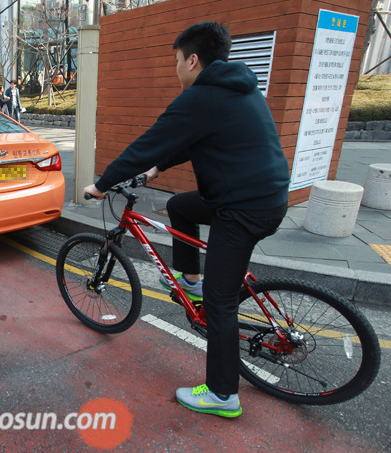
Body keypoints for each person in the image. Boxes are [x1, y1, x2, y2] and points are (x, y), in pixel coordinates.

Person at [83, 21, 290, 418]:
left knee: (221, 302)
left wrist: (102, 184)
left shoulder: (200, 97)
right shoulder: (237, 87)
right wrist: (158, 169)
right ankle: (190, 280)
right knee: (180, 206)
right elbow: (196, 139)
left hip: (244, 208)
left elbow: (151, 140)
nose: (177, 68)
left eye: (177, 60)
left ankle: (222, 394)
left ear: (193, 59)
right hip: (256, 196)